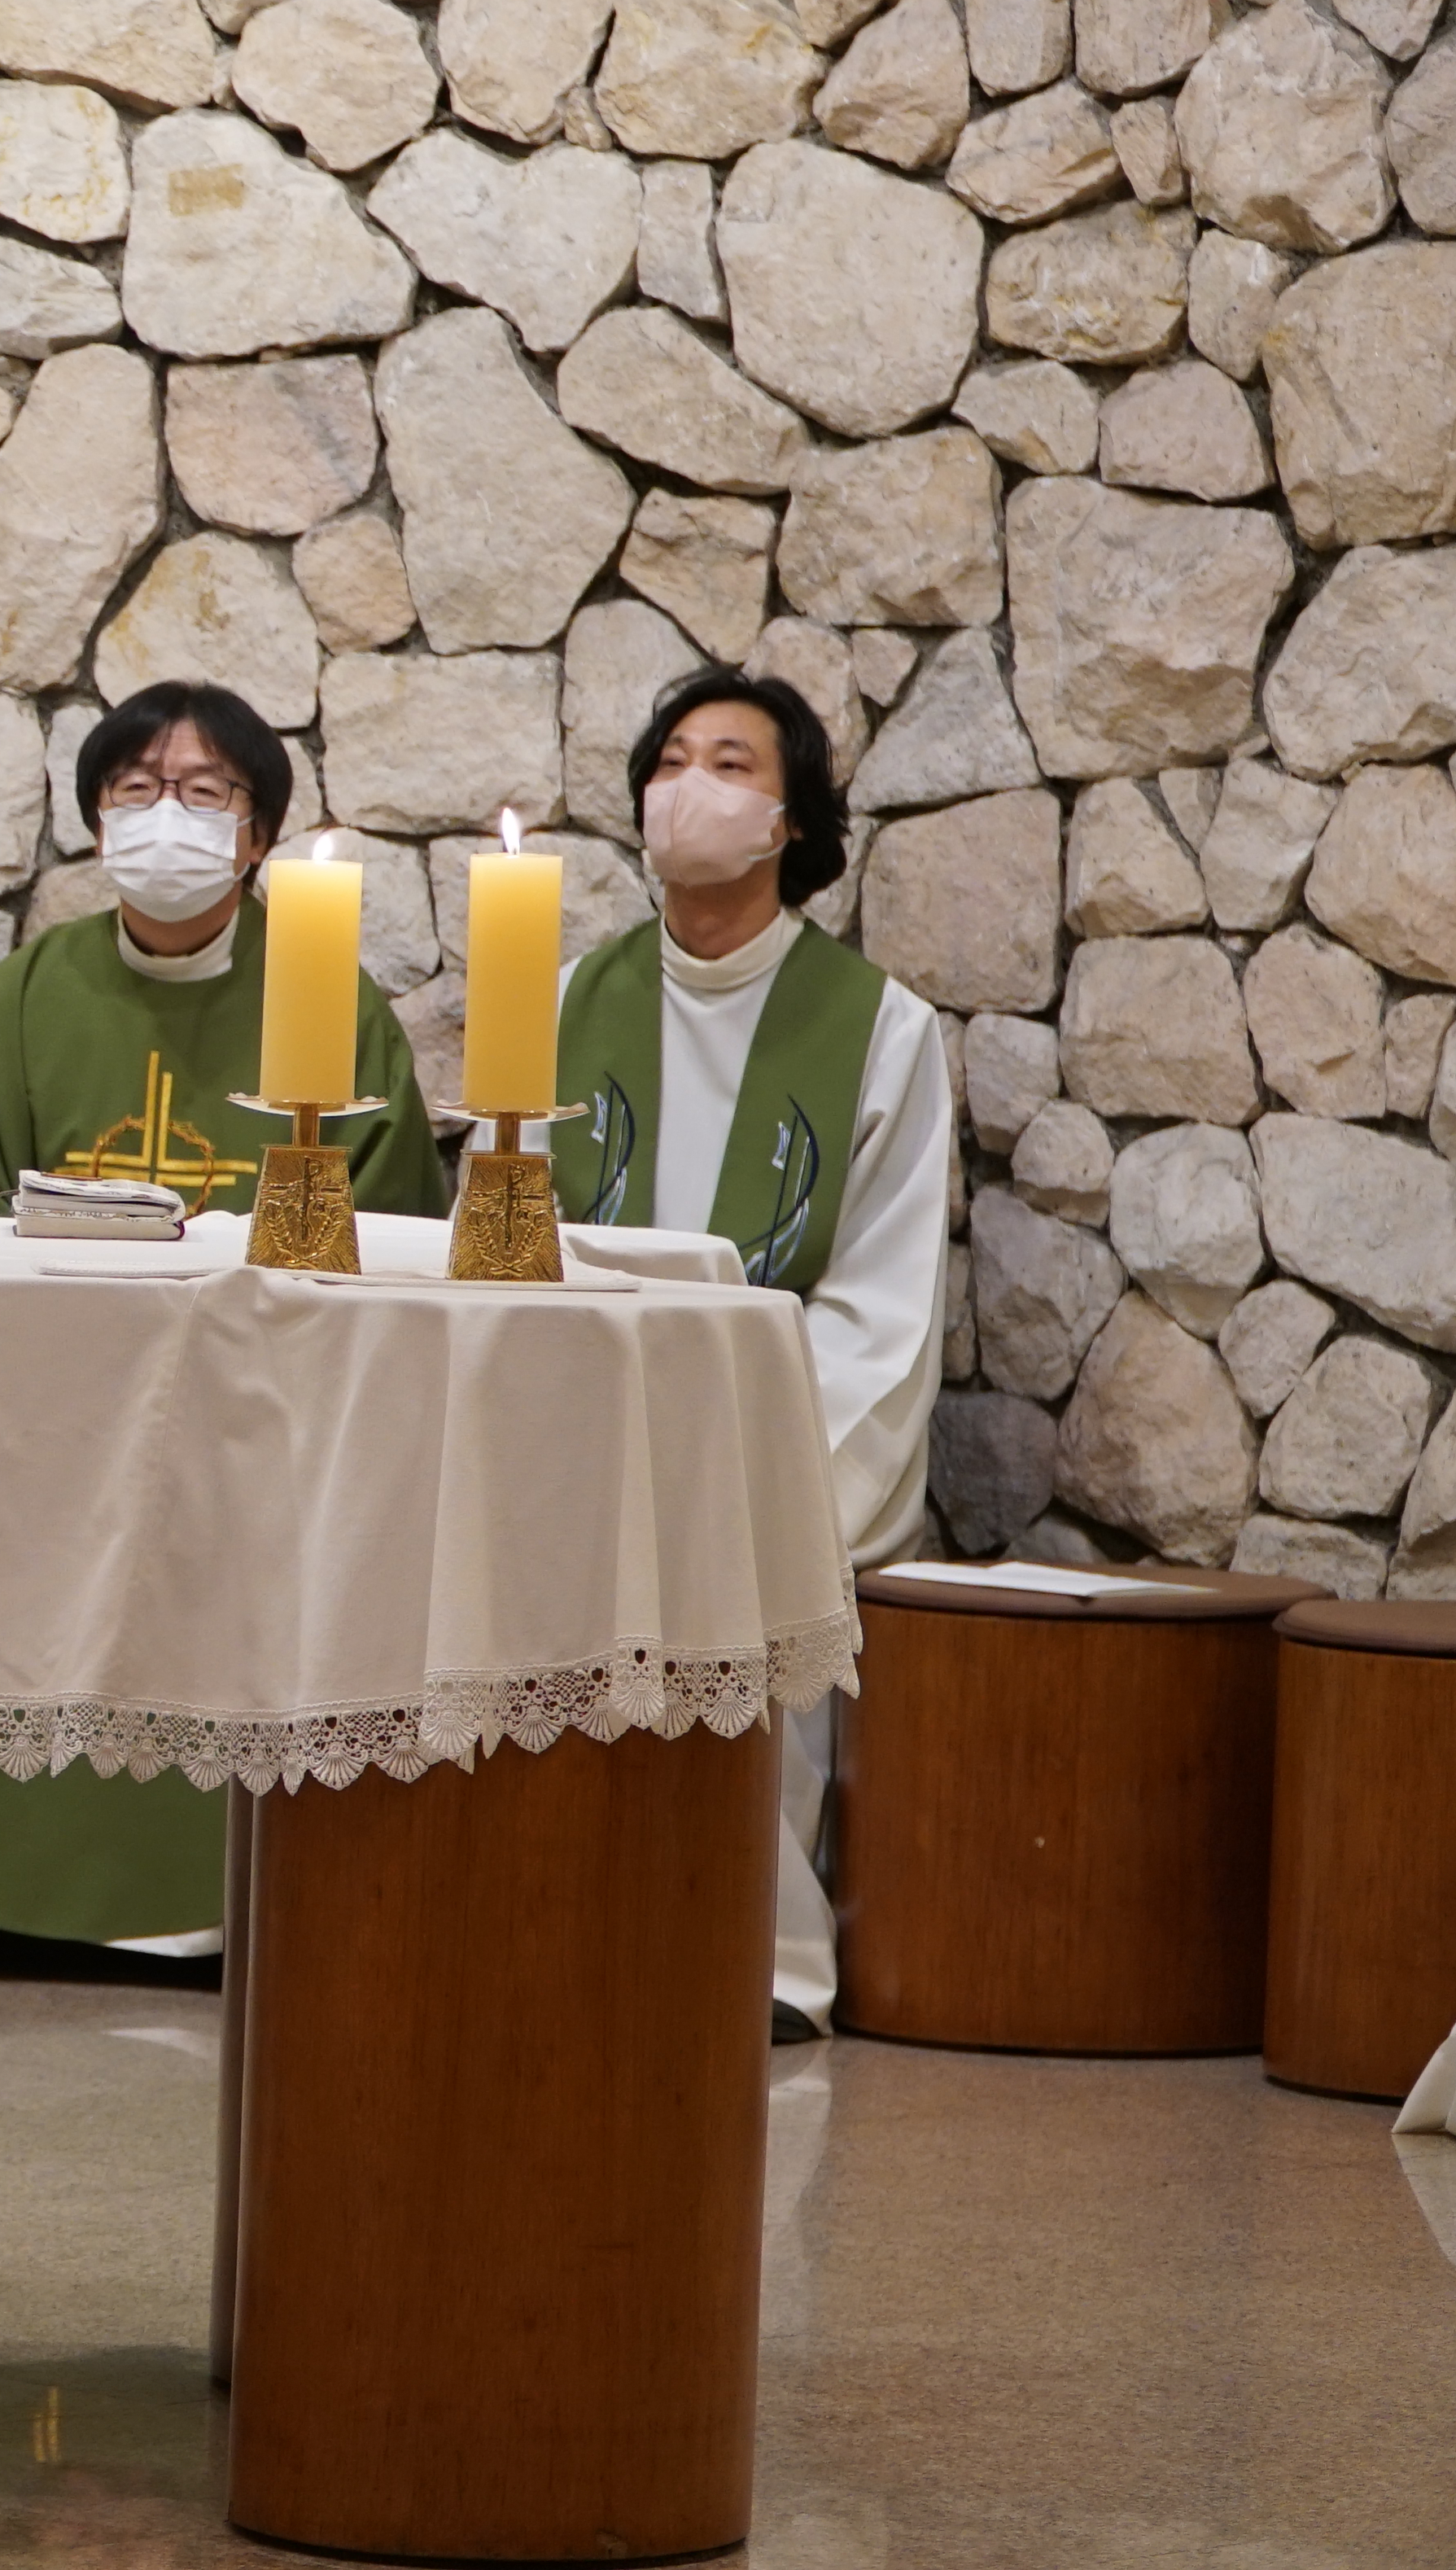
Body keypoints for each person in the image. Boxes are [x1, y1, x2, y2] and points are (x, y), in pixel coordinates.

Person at [0, 684, 445, 1983]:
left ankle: (249, 1882)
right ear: (93, 826)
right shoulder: (27, 995)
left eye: (205, 794)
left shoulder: (329, 1005)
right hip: (42, 1396)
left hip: (256, 1402)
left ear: (258, 838)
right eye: (135, 791)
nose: (165, 817)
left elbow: (382, 1217)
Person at [553, 670, 945, 2042]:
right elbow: (513, 1244)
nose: (691, 786)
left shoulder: (881, 1029)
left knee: (734, 1572)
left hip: (769, 1435)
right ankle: (546, 1927)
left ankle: (754, 1958)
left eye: (730, 762)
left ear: (789, 820)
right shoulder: (561, 1005)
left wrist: (740, 1447)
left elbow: (884, 1302)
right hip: (578, 1425)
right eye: (670, 759)